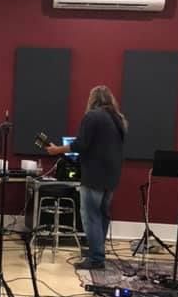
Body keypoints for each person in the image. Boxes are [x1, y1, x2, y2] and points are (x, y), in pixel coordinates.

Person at [45, 86, 127, 270]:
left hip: (94, 175)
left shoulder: (92, 116)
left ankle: (96, 258)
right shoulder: (118, 119)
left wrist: (57, 150)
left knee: (91, 216)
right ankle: (98, 252)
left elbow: (81, 144)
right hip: (112, 176)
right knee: (103, 215)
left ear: (93, 99)